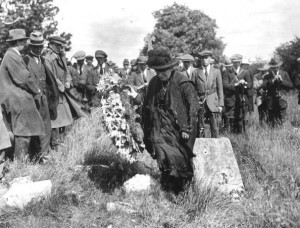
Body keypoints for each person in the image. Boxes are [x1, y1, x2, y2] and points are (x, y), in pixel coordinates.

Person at [127, 48, 198, 193]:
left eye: (164, 71)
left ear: (171, 68)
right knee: (161, 154)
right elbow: (147, 103)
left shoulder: (183, 83)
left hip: (179, 129)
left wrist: (186, 128)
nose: (161, 74)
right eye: (157, 71)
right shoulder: (154, 82)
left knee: (180, 159)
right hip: (160, 127)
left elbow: (193, 108)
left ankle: (184, 189)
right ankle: (167, 184)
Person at [0, 29, 45, 160]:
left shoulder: (11, 55)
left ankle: (28, 161)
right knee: (23, 133)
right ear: (19, 42)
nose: (26, 43)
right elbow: (24, 78)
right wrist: (37, 90)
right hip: (18, 100)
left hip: (17, 99)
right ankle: (20, 165)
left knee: (25, 131)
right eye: (24, 41)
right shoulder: (12, 56)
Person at [23, 31, 59, 160]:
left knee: (46, 127)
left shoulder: (43, 60)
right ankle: (36, 156)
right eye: (35, 46)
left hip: (44, 100)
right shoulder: (25, 60)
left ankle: (44, 155)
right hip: (32, 101)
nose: (38, 49)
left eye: (40, 46)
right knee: (35, 129)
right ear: (30, 46)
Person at [44, 36, 74, 150]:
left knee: (63, 117)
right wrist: (62, 86)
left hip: (62, 92)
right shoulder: (48, 58)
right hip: (54, 92)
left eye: (61, 46)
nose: (60, 48)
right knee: (55, 118)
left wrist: (68, 81)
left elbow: (67, 71)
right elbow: (52, 77)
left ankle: (59, 140)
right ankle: (55, 143)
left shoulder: (61, 56)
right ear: (51, 45)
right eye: (58, 45)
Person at [191, 50, 224, 138]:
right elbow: (192, 90)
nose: (204, 60)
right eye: (202, 58)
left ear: (210, 59)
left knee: (215, 127)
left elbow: (220, 89)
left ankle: (216, 147)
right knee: (201, 127)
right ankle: (203, 148)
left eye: (206, 58)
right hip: (200, 102)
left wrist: (221, 104)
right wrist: (194, 103)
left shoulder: (216, 71)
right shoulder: (195, 72)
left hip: (213, 101)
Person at [261, 58, 293, 126]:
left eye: (275, 67)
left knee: (282, 115)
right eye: (272, 68)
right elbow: (263, 86)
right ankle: (273, 131)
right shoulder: (267, 75)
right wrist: (272, 81)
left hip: (282, 97)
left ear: (279, 66)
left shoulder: (284, 73)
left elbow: (290, 85)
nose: (274, 69)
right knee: (272, 116)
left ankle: (282, 131)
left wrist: (282, 81)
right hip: (271, 99)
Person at [230, 54, 252, 133]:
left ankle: (243, 131)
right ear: (232, 63)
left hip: (242, 96)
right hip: (232, 96)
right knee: (233, 114)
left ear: (240, 62)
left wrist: (244, 83)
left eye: (238, 62)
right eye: (234, 62)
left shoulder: (245, 72)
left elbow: (250, 84)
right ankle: (234, 131)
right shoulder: (229, 71)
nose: (236, 64)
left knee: (242, 114)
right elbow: (226, 84)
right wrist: (235, 84)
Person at [222, 58, 236, 132]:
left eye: (230, 66)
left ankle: (232, 129)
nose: (229, 67)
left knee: (233, 113)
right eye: (227, 66)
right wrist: (235, 85)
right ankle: (227, 130)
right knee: (228, 113)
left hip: (234, 96)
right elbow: (225, 85)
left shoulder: (234, 72)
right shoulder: (225, 73)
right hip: (228, 96)